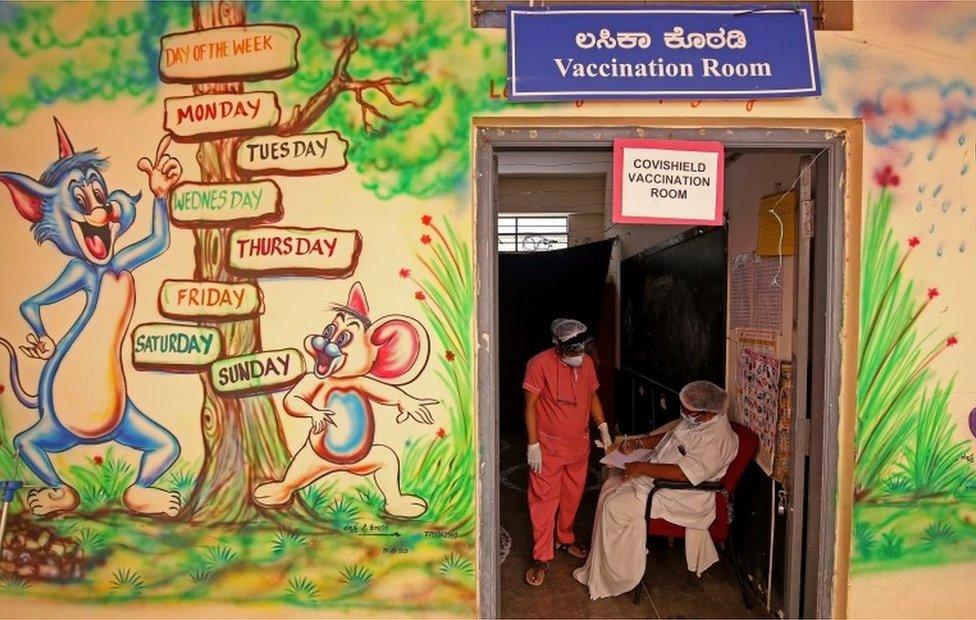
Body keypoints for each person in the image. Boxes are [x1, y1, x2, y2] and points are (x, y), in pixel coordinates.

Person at [573, 380, 739, 600]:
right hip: (660, 484)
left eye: (689, 411)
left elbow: (683, 474)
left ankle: (617, 578)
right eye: (684, 409)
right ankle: (596, 569)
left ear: (708, 412)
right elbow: (671, 437)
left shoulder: (717, 439)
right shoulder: (698, 421)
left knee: (615, 507)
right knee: (608, 487)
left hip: (681, 496)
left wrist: (642, 468)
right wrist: (639, 444)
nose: (684, 414)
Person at [522, 318, 612, 587]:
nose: (577, 355)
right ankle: (541, 555)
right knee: (544, 501)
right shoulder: (539, 364)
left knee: (572, 496)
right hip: (548, 447)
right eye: (571, 350)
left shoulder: (585, 363)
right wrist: (533, 444)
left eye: (581, 349)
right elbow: (530, 405)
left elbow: (592, 395)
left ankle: (565, 537)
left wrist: (603, 427)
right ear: (557, 344)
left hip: (578, 446)